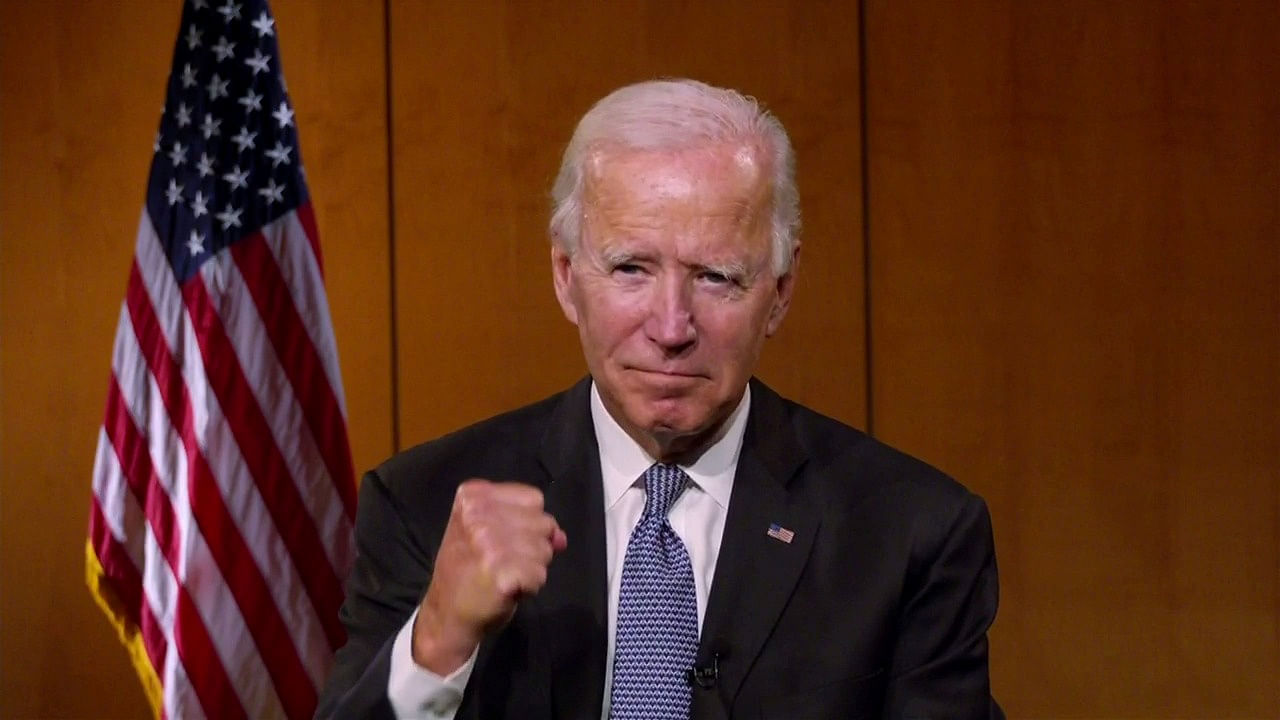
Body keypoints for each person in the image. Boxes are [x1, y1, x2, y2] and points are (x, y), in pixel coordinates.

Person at [317, 78, 1002, 720]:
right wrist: (439, 638)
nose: (671, 328)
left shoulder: (911, 533)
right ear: (565, 277)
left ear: (780, 293)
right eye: (631, 269)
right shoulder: (423, 506)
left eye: (715, 277)